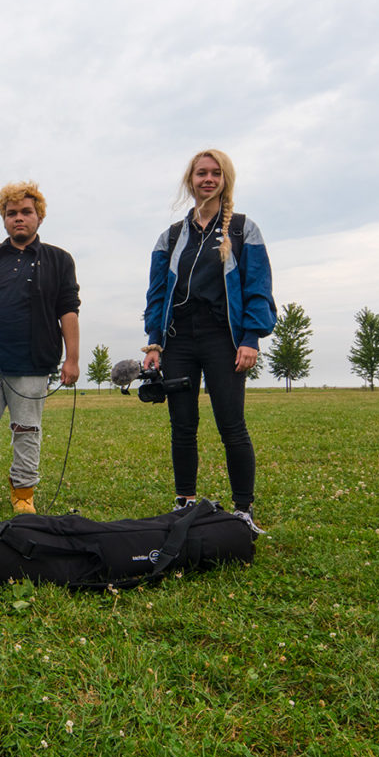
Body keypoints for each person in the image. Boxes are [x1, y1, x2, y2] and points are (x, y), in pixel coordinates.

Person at [142, 149, 276, 531]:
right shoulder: (170, 237)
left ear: (225, 180)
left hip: (225, 339)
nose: (208, 179)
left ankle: (243, 510)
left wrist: (250, 338)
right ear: (191, 180)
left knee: (231, 424)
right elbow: (156, 293)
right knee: (182, 425)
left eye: (216, 173)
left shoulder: (243, 229)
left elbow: (258, 288)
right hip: (179, 340)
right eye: (201, 173)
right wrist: (154, 342)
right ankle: (183, 502)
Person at [0, 181, 80, 515]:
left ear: (39, 217)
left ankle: (23, 492)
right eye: (11, 213)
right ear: (4, 219)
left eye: (26, 212)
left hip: (33, 361)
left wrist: (72, 359)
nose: (18, 218)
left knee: (27, 430)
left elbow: (68, 310)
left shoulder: (59, 260)